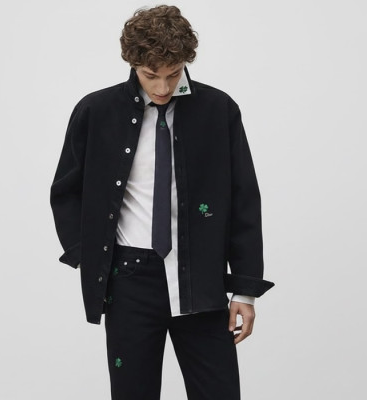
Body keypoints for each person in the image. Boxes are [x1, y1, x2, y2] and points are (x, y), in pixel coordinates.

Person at [50, 5, 274, 399]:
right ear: (132, 64)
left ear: (186, 61)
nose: (163, 87)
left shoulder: (218, 110)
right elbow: (66, 190)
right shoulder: (96, 111)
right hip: (127, 281)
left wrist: (244, 290)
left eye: (173, 74)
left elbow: (243, 198)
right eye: (150, 75)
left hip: (201, 280)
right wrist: (90, 255)